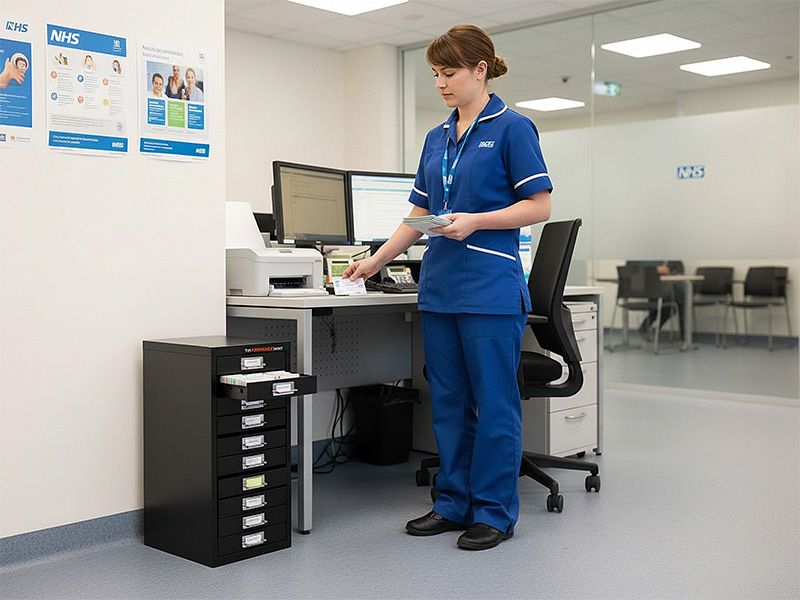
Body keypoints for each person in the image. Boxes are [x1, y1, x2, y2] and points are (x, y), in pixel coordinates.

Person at [343, 24, 552, 551]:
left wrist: (477, 220)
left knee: (495, 402)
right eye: (435, 73)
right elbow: (419, 214)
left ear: (480, 70)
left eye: (450, 72)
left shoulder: (513, 128)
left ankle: (495, 513)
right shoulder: (437, 138)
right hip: (439, 289)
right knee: (449, 402)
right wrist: (376, 261)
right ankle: (452, 503)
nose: (440, 82)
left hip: (489, 289)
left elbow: (539, 206)